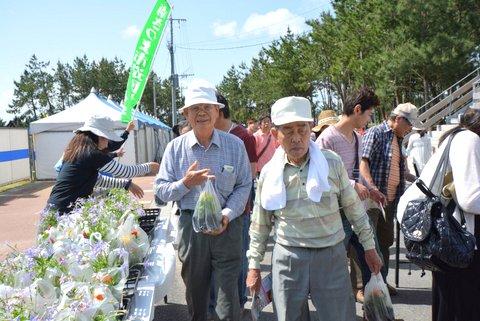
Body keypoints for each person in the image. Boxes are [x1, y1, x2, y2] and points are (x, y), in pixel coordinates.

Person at [246, 96, 382, 321]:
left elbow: (353, 208)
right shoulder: (269, 173)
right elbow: (260, 223)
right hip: (288, 257)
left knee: (338, 316)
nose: (297, 138)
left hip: (331, 255)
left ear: (311, 129)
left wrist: (369, 246)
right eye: (288, 131)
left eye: (302, 129)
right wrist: (253, 265)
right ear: (274, 135)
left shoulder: (331, 162)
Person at [155, 79, 252, 321]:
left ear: (217, 111)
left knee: (228, 300)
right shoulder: (175, 149)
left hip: (227, 227)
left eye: (207, 107)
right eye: (194, 108)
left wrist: (227, 214)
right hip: (192, 230)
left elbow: (244, 185)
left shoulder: (235, 144)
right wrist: (185, 183)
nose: (201, 113)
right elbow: (161, 192)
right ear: (186, 114)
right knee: (197, 296)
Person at [397, 106, 480, 321]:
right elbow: (470, 198)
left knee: (449, 302)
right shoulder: (469, 140)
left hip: (449, 235)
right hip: (458, 238)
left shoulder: (458, 137)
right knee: (461, 304)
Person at [316, 87, 385, 302]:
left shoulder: (357, 137)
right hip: (336, 214)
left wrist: (371, 190)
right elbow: (321, 179)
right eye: (369, 114)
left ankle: (374, 310)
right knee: (333, 267)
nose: (369, 118)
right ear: (357, 110)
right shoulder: (327, 139)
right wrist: (354, 185)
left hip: (357, 212)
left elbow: (356, 171)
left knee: (374, 261)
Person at [360, 102, 422, 292]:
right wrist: (372, 187)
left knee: (385, 242)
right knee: (367, 243)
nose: (411, 128)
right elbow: (363, 163)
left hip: (389, 201)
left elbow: (400, 170)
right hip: (372, 200)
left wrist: (419, 179)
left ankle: (381, 283)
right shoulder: (376, 133)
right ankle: (363, 286)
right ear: (398, 119)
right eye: (409, 124)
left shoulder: (398, 138)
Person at [47, 115, 159, 214]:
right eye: (106, 138)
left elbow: (98, 180)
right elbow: (125, 171)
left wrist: (127, 184)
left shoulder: (77, 150)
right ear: (98, 136)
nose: (107, 144)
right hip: (63, 212)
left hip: (55, 209)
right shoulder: (92, 154)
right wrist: (149, 166)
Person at [212, 93, 258, 316]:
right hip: (213, 213)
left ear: (218, 111)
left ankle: (239, 302)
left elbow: (248, 177)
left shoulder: (243, 136)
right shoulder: (210, 136)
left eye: (208, 108)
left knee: (237, 259)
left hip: (239, 211)